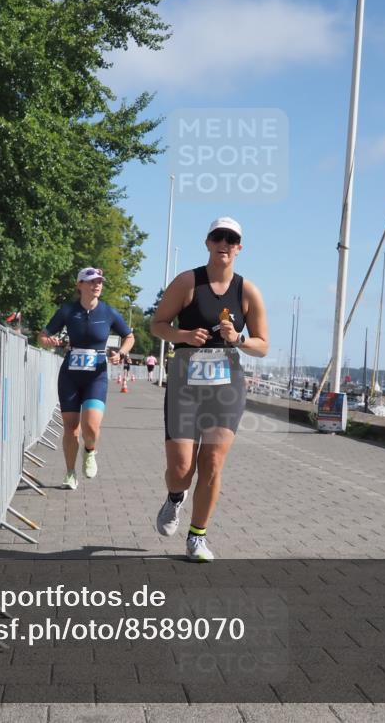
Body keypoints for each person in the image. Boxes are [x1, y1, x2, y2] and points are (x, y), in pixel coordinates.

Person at [150, 217, 268, 561]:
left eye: (232, 240)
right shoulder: (188, 282)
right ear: (207, 242)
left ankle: (197, 537)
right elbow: (157, 325)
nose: (225, 244)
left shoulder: (247, 291)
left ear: (239, 248)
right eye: (219, 237)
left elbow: (262, 346)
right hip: (186, 382)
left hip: (225, 386)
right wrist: (184, 336)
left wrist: (239, 340)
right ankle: (175, 498)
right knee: (181, 468)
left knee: (213, 462)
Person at [39, 267, 134, 490]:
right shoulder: (67, 311)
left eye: (100, 281)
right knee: (71, 427)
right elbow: (43, 335)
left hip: (96, 376)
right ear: (79, 285)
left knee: (90, 426)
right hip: (70, 375)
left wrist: (120, 353)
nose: (97, 285)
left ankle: (90, 451)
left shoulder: (108, 312)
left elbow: (129, 336)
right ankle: (70, 473)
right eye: (91, 282)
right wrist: (48, 341)